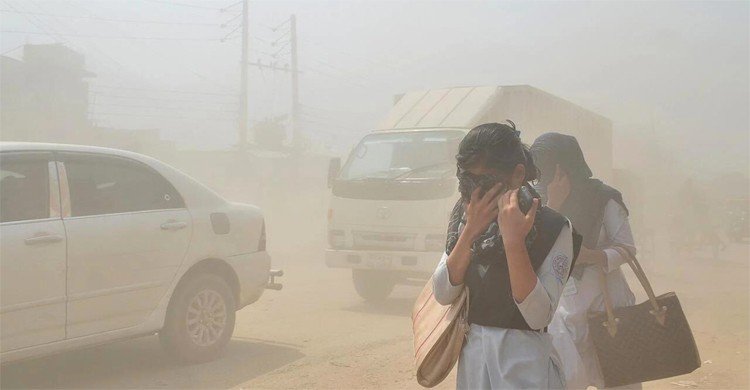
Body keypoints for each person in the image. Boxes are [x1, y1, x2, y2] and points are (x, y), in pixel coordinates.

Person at [432, 122, 579, 389]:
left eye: (484, 181)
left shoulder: (553, 227)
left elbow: (537, 316)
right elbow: (443, 292)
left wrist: (514, 242)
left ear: (516, 175)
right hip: (475, 369)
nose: (475, 192)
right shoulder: (464, 220)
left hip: (525, 373)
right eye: (467, 181)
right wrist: (470, 232)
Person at [530, 132, 638, 389]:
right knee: (567, 378)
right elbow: (535, 250)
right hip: (563, 305)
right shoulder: (537, 200)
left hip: (607, 300)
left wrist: (592, 256)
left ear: (564, 166)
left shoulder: (604, 198)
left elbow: (627, 248)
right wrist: (554, 204)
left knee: (618, 378)